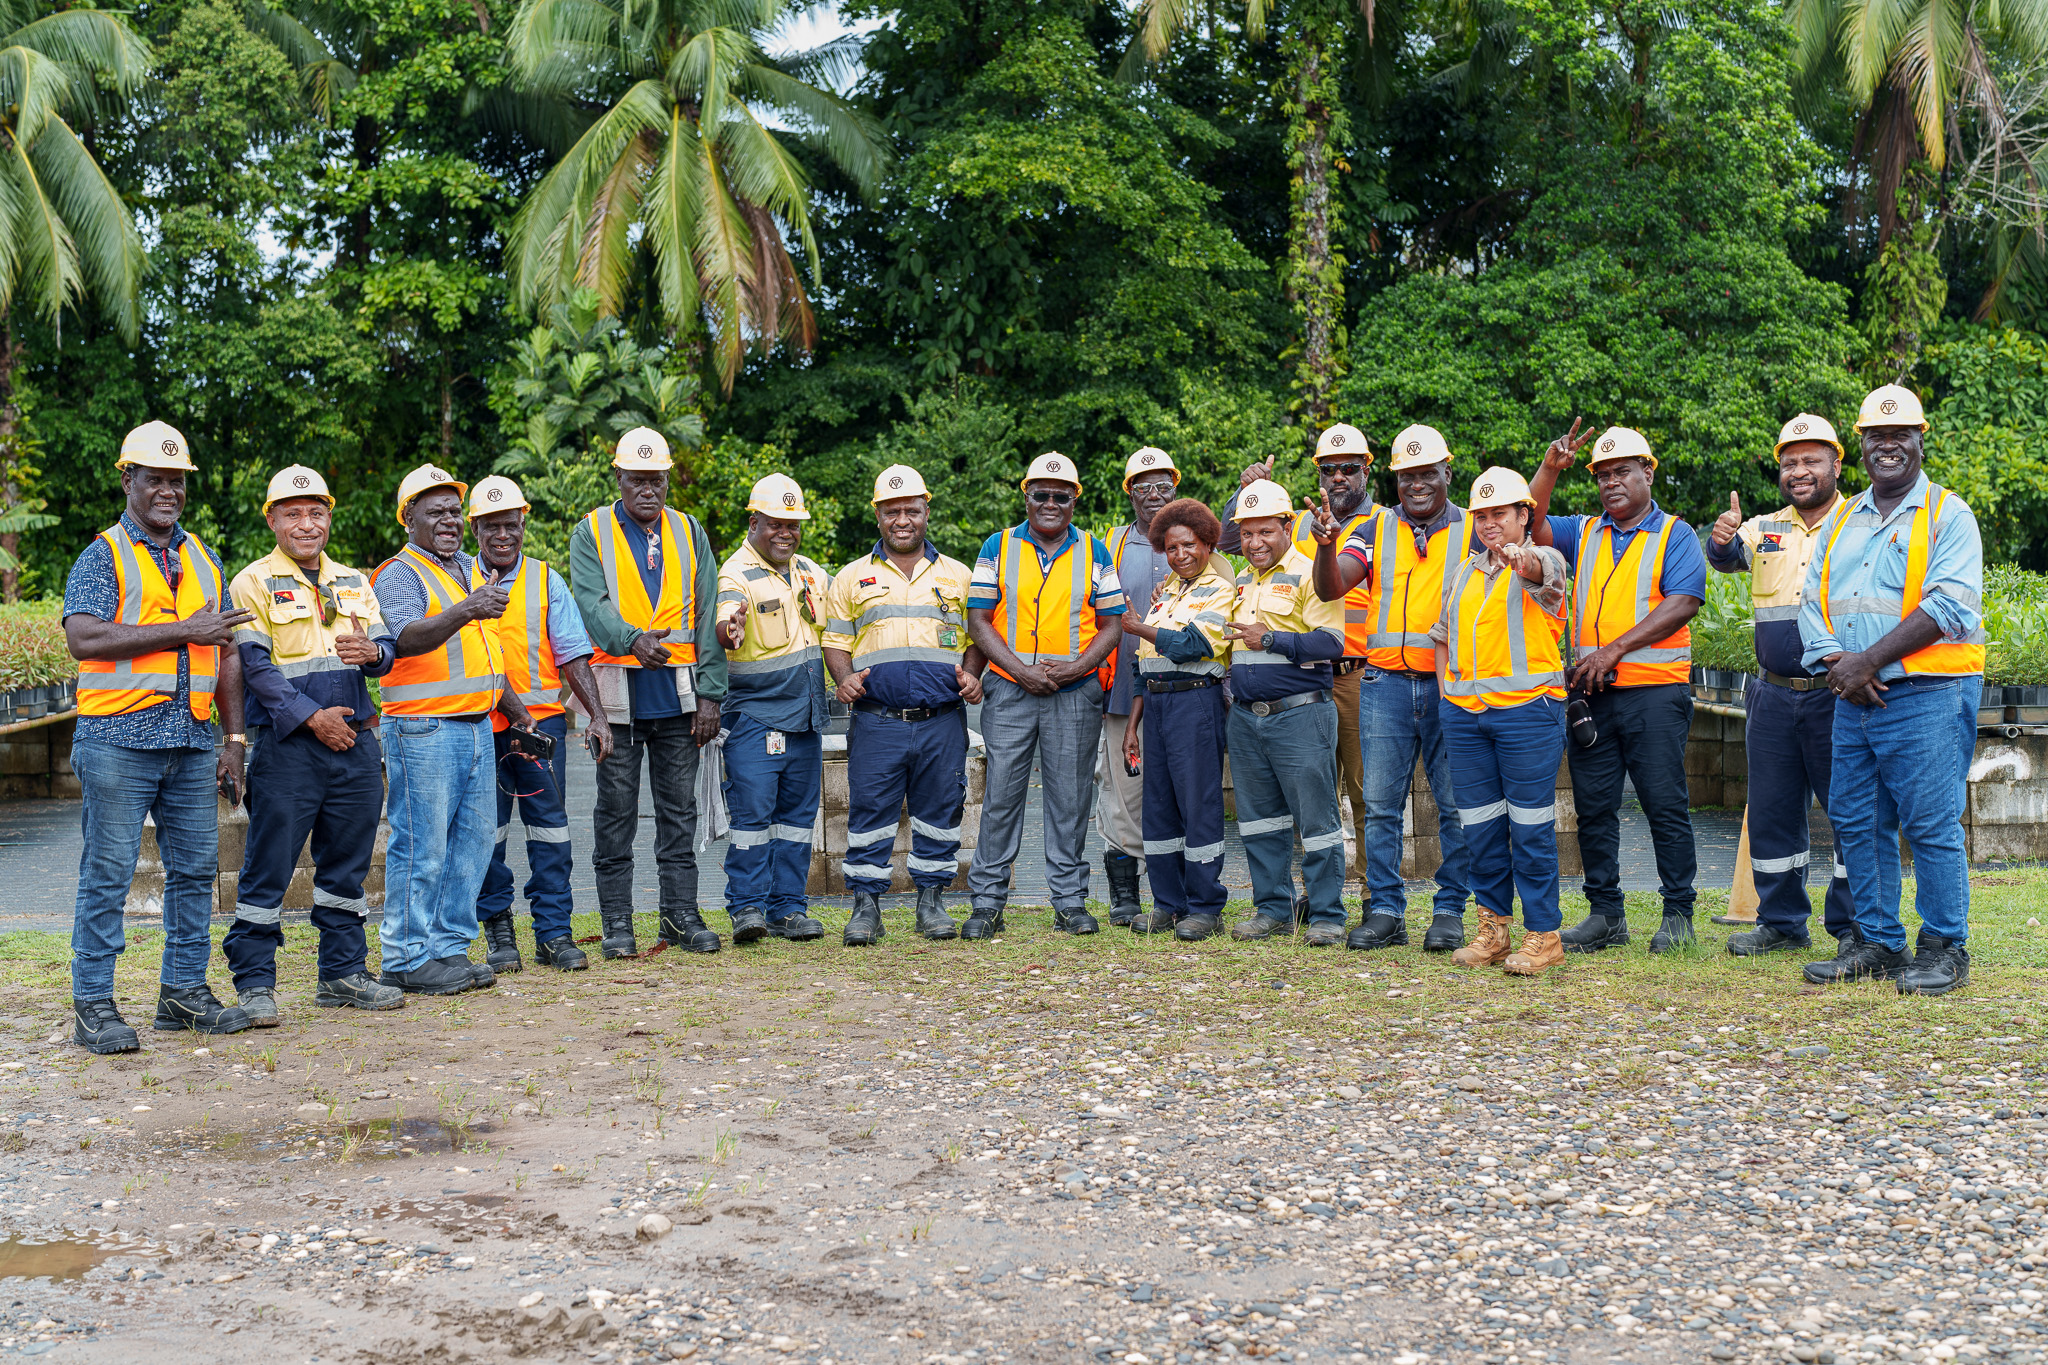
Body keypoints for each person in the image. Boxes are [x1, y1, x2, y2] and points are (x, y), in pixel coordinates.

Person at [63, 421, 255, 1051]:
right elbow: (84, 637)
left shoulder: (204, 556)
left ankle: (183, 994)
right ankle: (93, 1004)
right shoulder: (102, 555)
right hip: (117, 741)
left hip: (195, 742)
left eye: (177, 481)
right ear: (129, 481)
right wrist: (183, 633)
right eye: (155, 480)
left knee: (197, 874)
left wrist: (234, 741)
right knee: (109, 874)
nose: (168, 491)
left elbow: (224, 653)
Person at [1798, 385, 1984, 996]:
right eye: (1876, 436)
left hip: (1928, 692)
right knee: (1856, 818)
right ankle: (1876, 941)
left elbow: (1948, 606)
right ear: (1863, 444)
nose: (1888, 444)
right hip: (1854, 698)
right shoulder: (1843, 519)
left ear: (1919, 439)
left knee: (1929, 823)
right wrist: (1839, 665)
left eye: (1899, 433)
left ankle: (1944, 946)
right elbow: (1811, 603)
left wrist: (1865, 662)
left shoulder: (1948, 515)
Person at [223, 465, 405, 1023]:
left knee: (347, 866)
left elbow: (386, 650)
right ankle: (255, 985)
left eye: (316, 513)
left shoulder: (353, 580)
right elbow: (255, 667)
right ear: (274, 520)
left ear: (329, 517)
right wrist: (311, 719)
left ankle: (344, 975)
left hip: (354, 743)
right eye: (294, 513)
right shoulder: (252, 581)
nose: (307, 524)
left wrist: (376, 656)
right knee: (269, 865)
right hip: (288, 748)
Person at [1531, 423, 1707, 953]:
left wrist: (1614, 650)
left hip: (1654, 692)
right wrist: (1549, 470)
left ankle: (1678, 913)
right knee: (1595, 806)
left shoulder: (1675, 533)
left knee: (1664, 804)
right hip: (1594, 696)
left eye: (1623, 471)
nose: (1612, 482)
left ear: (1647, 473)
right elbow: (1528, 524)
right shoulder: (1583, 532)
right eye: (1603, 475)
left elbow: (1683, 601)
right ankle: (1606, 914)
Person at [373, 464, 537, 995]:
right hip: (423, 729)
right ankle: (404, 955)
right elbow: (405, 639)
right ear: (408, 519)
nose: (447, 520)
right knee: (422, 848)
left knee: (470, 847)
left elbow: (487, 657)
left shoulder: (467, 568)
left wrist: (516, 711)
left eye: (452, 511)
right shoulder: (399, 573)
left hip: (474, 727)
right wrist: (467, 608)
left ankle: (447, 949)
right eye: (433, 511)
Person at [1312, 424, 1476, 953]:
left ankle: (1449, 910)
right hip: (1383, 684)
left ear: (1446, 473)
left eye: (1428, 473)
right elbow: (1332, 585)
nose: (1418, 485)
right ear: (1395, 479)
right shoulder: (1373, 529)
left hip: (1451, 686)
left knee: (1452, 807)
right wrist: (1326, 544)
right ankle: (1385, 909)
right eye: (1407, 476)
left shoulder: (1475, 529)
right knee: (1382, 804)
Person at [568, 429, 728, 956]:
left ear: (666, 480)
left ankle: (680, 916)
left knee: (679, 814)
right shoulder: (589, 531)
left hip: (680, 699)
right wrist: (632, 639)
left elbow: (707, 615)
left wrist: (711, 694)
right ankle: (617, 921)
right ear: (619, 477)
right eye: (637, 480)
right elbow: (592, 605)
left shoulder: (690, 531)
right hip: (614, 700)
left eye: (656, 480)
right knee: (614, 812)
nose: (647, 490)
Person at [1705, 415, 1856, 959]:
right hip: (1770, 694)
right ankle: (1782, 919)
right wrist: (1720, 539)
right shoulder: (1765, 526)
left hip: (1836, 693)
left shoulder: (1860, 521)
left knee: (1849, 809)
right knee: (1772, 809)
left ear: (1837, 464)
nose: (1799, 471)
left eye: (1812, 460)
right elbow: (1725, 559)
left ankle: (1852, 925)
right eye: (1790, 462)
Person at [822, 465, 986, 945]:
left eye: (911, 510)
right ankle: (866, 907)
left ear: (926, 511)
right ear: (877, 514)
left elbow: (979, 633)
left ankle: (931, 903)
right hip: (877, 720)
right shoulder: (853, 576)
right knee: (870, 811)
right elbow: (835, 639)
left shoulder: (958, 574)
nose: (902, 520)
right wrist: (844, 678)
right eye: (892, 511)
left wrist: (973, 676)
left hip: (941, 720)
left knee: (940, 809)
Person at [966, 452, 1126, 938]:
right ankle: (987, 903)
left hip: (1074, 692)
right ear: (1027, 496)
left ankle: (1070, 902)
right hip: (1011, 690)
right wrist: (1021, 671)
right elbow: (977, 620)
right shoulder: (997, 546)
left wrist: (1075, 669)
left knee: (1071, 797)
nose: (1052, 503)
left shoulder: (1095, 551)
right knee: (1001, 796)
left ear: (1075, 499)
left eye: (1062, 495)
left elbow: (1113, 623)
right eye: (1042, 494)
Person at [1225, 424, 1379, 899]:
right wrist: (1248, 492)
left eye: (1349, 468)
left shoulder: (1381, 524)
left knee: (1365, 794)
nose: (1338, 477)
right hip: (1296, 683)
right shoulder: (1307, 527)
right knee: (1308, 796)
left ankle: (1376, 896)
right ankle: (1311, 897)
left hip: (1356, 673)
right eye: (1328, 468)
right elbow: (1236, 540)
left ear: (1366, 470)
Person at [469, 476, 615, 973]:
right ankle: (499, 934)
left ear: (523, 525)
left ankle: (553, 933)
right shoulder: (453, 582)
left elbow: (573, 653)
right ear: (475, 529)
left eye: (511, 525)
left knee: (551, 833)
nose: (503, 535)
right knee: (485, 837)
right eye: (492, 527)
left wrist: (596, 715)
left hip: (540, 729)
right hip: (477, 729)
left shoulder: (545, 579)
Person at [1433, 469, 1572, 977]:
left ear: (1523, 516)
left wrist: (1523, 559)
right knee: (1481, 828)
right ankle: (1493, 929)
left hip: (1527, 713)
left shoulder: (1546, 558)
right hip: (1467, 719)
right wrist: (1448, 692)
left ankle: (1544, 934)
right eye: (1483, 516)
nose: (1491, 524)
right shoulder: (1464, 572)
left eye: (1501, 514)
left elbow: (1542, 573)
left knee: (1530, 826)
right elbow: (1442, 633)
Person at [1224, 480, 1348, 944]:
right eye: (1247, 534)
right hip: (1246, 718)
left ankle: (1327, 915)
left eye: (1265, 533)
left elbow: (1332, 644)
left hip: (1299, 716)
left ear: (1288, 526)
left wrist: (1271, 638)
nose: (1255, 543)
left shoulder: (1311, 572)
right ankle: (1273, 908)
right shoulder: (1240, 580)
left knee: (1316, 821)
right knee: (1259, 821)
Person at [715, 475, 833, 943]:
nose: (785, 532)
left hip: (805, 718)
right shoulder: (735, 574)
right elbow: (727, 618)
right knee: (752, 818)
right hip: (755, 718)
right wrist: (730, 630)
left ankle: (788, 908)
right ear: (754, 521)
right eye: (775, 524)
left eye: (793, 524)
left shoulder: (808, 572)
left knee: (797, 822)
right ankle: (747, 908)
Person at [1119, 498, 1234, 941]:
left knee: (1199, 806)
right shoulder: (1167, 591)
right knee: (1160, 807)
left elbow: (1193, 645)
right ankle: (1169, 903)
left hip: (1195, 704)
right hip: (1158, 703)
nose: (1180, 554)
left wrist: (1140, 627)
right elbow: (1143, 663)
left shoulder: (1219, 589)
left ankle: (1205, 906)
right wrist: (1132, 725)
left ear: (1206, 543)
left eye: (1188, 545)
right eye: (1171, 548)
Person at [1097, 447, 1182, 927]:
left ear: (1175, 486)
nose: (1154, 495)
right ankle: (1125, 894)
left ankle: (1178, 890)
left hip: (1188, 691)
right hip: (1121, 691)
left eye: (1163, 485)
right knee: (1123, 793)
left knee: (1181, 788)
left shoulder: (1194, 541)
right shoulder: (1109, 543)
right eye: (1143, 486)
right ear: (1129, 492)